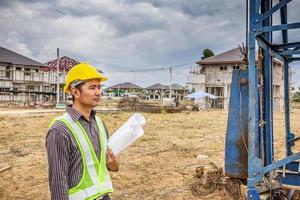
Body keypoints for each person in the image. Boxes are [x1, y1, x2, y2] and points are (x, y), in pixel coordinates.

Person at [46, 63, 119, 200]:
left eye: (99, 87)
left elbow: (102, 165)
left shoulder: (99, 123)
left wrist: (113, 165)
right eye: (92, 88)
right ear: (75, 92)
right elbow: (58, 180)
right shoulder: (60, 130)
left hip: (103, 197)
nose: (98, 92)